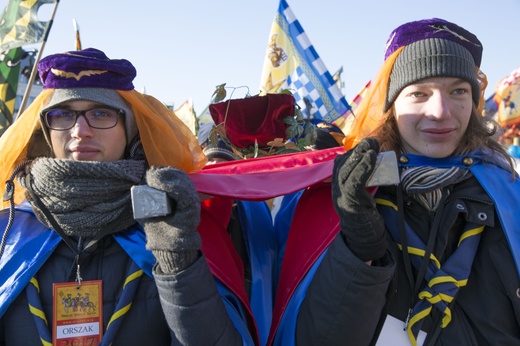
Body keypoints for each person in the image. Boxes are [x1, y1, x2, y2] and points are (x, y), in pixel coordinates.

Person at [0, 48, 256, 345]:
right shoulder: (10, 228)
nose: (80, 131)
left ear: (129, 129)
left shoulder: (174, 219)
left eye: (101, 113)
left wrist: (178, 264)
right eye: (63, 115)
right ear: (46, 130)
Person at [289, 18, 520, 345]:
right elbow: (320, 338)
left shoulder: (509, 190)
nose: (440, 111)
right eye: (418, 93)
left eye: (458, 91)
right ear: (392, 105)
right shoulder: (351, 193)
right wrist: (360, 248)